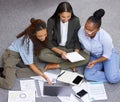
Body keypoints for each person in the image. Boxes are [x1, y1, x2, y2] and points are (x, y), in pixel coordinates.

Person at [0, 18, 52, 89]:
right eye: (40, 36)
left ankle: (11, 71)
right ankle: (7, 71)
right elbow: (31, 65)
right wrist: (44, 76)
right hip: (11, 56)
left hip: (21, 56)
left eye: (45, 34)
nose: (43, 37)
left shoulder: (37, 36)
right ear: (34, 33)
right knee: (8, 85)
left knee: (40, 70)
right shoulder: (28, 42)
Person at [39, 1, 90, 72]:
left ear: (71, 14)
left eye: (68, 16)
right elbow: (48, 41)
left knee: (87, 58)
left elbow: (76, 38)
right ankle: (71, 63)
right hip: (57, 47)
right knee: (41, 55)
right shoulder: (51, 21)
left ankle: (58, 65)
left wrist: (76, 52)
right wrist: (60, 52)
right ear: (59, 14)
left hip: (70, 48)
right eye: (63, 17)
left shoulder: (75, 20)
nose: (66, 19)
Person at [78, 9, 120, 83]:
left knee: (113, 79)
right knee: (88, 75)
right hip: (94, 56)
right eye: (85, 28)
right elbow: (82, 47)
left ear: (97, 30)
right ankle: (110, 73)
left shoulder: (105, 37)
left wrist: (95, 62)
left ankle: (112, 74)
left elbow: (107, 55)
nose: (86, 32)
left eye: (90, 30)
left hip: (108, 56)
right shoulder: (81, 32)